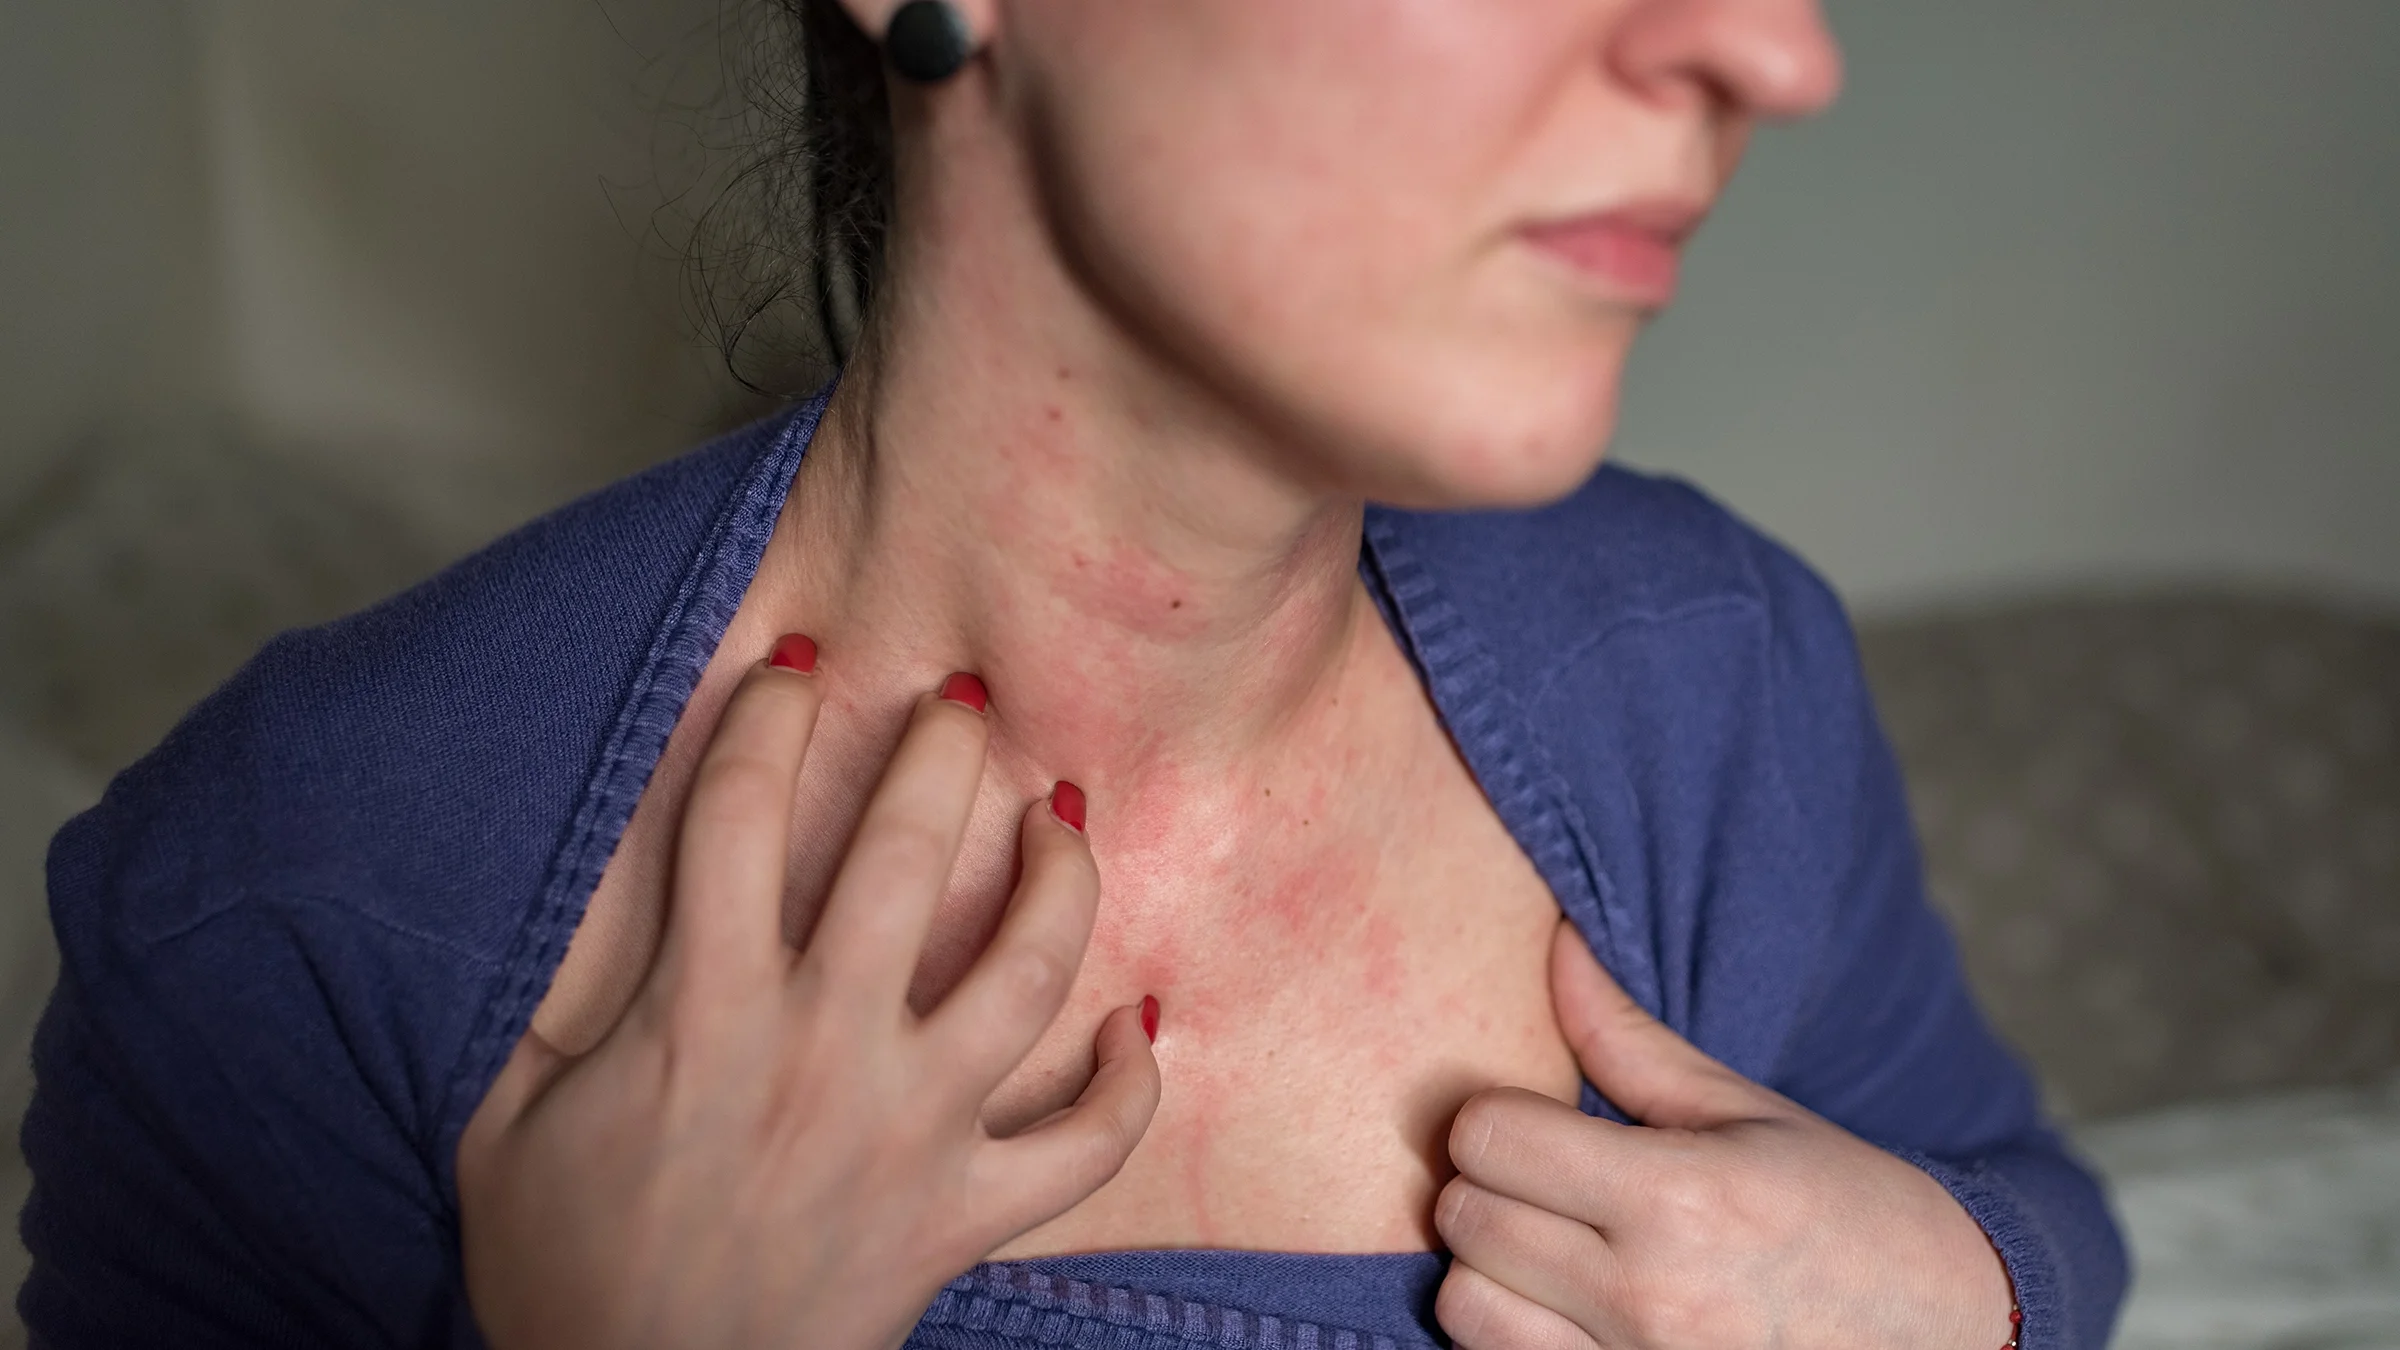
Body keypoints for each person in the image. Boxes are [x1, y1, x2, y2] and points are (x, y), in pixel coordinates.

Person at [19, 0, 2129, 1346]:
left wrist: (1970, 1292)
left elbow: (2017, 1200)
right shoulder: (298, 904)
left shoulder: (1705, 677)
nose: (1775, 47)